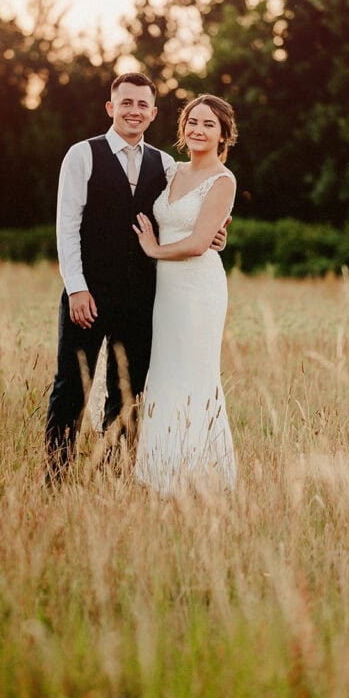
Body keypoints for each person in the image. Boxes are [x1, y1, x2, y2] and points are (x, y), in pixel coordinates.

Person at [45, 74, 227, 481]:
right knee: (72, 388)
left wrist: (217, 235)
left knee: (126, 392)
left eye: (142, 105)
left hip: (145, 298)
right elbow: (66, 226)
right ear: (111, 108)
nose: (134, 111)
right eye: (126, 103)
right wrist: (76, 287)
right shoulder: (82, 155)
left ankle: (111, 475)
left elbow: (185, 216)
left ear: (153, 113)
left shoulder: (164, 163)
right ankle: (54, 478)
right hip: (88, 294)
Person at [132, 94, 238, 495]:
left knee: (194, 374)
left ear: (223, 134)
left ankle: (201, 476)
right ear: (182, 128)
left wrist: (154, 250)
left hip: (199, 288)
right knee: (165, 372)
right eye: (193, 122)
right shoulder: (171, 170)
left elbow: (197, 243)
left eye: (209, 124)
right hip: (168, 291)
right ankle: (162, 473)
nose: (198, 129)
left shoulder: (223, 180)